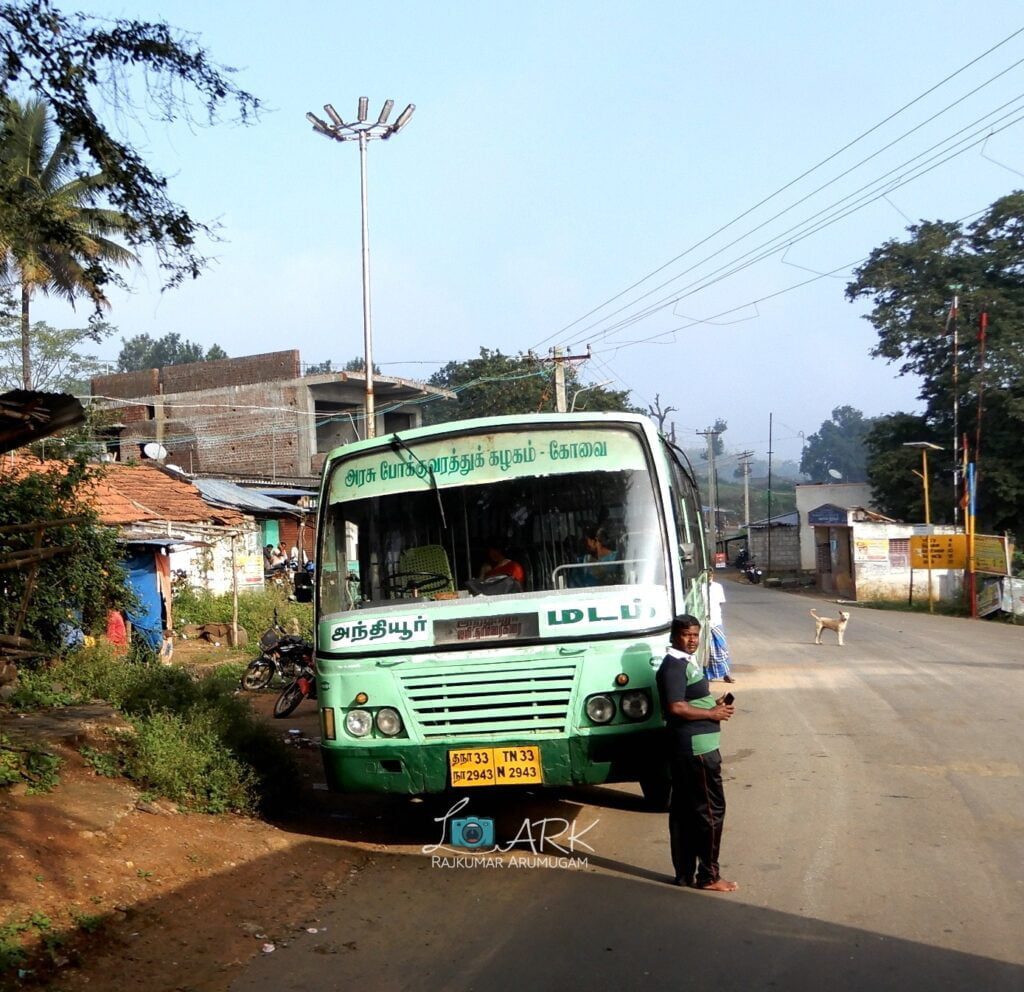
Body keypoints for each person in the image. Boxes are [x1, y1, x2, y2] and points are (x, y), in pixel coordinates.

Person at [656, 613, 738, 892]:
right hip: (697, 751)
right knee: (711, 811)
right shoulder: (673, 666)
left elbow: (688, 700)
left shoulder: (684, 663)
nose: (692, 640)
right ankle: (709, 876)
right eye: (686, 635)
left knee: (684, 810)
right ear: (674, 636)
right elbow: (675, 707)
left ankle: (684, 874)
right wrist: (712, 712)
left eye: (695, 634)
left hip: (690, 749)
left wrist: (711, 706)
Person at [705, 578, 735, 684]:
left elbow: (720, 603)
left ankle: (726, 674)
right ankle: (708, 676)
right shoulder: (700, 587)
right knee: (708, 650)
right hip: (704, 622)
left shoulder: (717, 587)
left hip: (716, 621)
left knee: (722, 648)